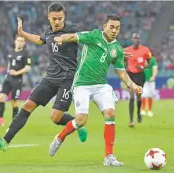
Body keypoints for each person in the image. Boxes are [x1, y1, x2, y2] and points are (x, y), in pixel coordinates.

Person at [0, 2, 87, 151]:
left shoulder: (72, 31)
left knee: (55, 117)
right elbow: (40, 40)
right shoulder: (48, 31)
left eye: (60, 18)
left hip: (67, 79)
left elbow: (89, 39)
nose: (57, 22)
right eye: (54, 18)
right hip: (50, 78)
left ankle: (76, 123)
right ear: (48, 17)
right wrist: (23, 33)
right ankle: (4, 141)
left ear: (64, 17)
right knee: (28, 105)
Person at [48, 14, 142, 166]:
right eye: (111, 27)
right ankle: (60, 137)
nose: (114, 30)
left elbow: (121, 72)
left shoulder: (117, 48)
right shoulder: (94, 36)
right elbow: (74, 37)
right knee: (81, 121)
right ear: (105, 26)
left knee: (110, 113)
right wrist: (62, 38)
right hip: (82, 85)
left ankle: (109, 157)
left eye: (117, 28)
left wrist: (133, 85)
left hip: (100, 85)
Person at [0, 35, 31, 126]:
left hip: (17, 80)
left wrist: (16, 73)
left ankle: (14, 123)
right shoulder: (11, 52)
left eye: (22, 41)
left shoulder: (25, 54)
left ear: (24, 43)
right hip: (8, 79)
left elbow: (28, 68)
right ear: (15, 41)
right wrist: (8, 73)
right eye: (19, 40)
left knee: (14, 102)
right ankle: (0, 120)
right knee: (1, 97)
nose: (20, 42)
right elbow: (9, 65)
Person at [124, 33, 151, 127]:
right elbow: (122, 61)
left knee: (139, 96)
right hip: (130, 75)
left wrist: (143, 67)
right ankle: (131, 120)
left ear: (140, 40)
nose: (136, 40)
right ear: (132, 40)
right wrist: (124, 70)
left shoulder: (145, 50)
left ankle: (138, 113)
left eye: (138, 38)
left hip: (140, 75)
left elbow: (149, 63)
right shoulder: (127, 50)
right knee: (131, 96)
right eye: (134, 38)